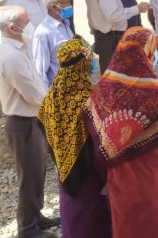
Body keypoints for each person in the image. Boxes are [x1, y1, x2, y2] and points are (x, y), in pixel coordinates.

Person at [82, 27, 158, 238]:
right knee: (155, 222)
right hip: (151, 171)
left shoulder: (104, 86)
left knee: (127, 222)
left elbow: (92, 122)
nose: (155, 55)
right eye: (153, 49)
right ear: (146, 51)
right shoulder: (154, 91)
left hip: (119, 171)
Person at [0, 6, 59, 238]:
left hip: (32, 119)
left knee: (37, 173)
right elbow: (33, 94)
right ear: (13, 28)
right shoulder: (10, 56)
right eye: (27, 21)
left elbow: (37, 83)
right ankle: (27, 228)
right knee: (28, 178)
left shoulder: (19, 49)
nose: (31, 26)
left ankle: (36, 217)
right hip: (23, 123)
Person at [38, 37, 111, 238]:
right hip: (89, 174)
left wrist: (62, 153)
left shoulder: (52, 94)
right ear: (83, 62)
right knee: (91, 219)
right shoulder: (89, 97)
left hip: (64, 170)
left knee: (72, 215)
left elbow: (42, 124)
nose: (92, 62)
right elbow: (100, 141)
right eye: (90, 59)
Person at [85, 0, 150, 74]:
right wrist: (137, 9)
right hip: (110, 37)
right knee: (116, 76)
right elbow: (113, 15)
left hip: (105, 35)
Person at [32, 0, 74, 87]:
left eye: (69, 2)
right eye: (66, 3)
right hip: (60, 93)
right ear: (54, 7)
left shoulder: (65, 24)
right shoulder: (43, 33)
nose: (70, 6)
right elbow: (40, 72)